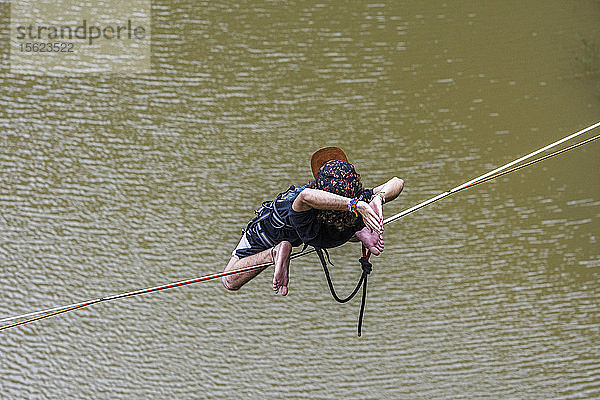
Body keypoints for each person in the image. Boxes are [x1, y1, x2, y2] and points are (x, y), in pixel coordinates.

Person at [221, 147, 404, 296]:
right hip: (322, 230)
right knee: (343, 218)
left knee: (229, 281)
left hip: (281, 229)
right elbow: (398, 181)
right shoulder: (357, 200)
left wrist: (376, 200)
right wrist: (363, 202)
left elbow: (306, 196)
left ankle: (273, 254)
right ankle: (358, 231)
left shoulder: (308, 205)